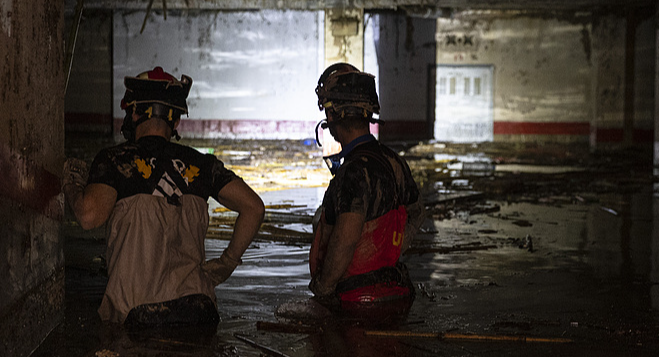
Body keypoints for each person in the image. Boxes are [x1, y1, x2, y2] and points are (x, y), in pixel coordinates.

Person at [62, 66, 265, 328]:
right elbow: (254, 208)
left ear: (133, 112)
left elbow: (89, 216)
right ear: (176, 121)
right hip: (198, 311)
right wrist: (227, 262)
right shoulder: (202, 165)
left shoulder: (115, 160)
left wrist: (72, 185)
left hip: (136, 316)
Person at [308, 63, 424, 314]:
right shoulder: (394, 161)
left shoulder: (352, 172)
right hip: (396, 292)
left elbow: (347, 238)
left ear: (331, 116)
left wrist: (324, 289)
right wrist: (387, 255)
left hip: (354, 302)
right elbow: (416, 213)